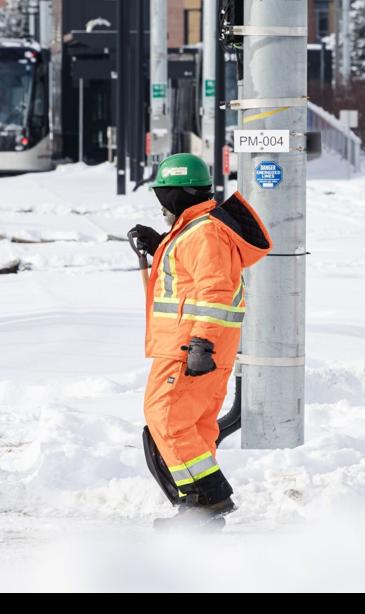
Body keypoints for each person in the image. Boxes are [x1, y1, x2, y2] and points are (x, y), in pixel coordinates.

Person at [126, 153, 271, 528]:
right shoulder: (195, 229)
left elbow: (214, 290)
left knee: (166, 416)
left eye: (163, 195)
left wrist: (200, 345)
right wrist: (160, 246)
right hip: (192, 346)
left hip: (190, 348)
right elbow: (192, 279)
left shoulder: (204, 231)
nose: (160, 204)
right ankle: (196, 506)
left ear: (176, 193)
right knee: (195, 425)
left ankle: (210, 497)